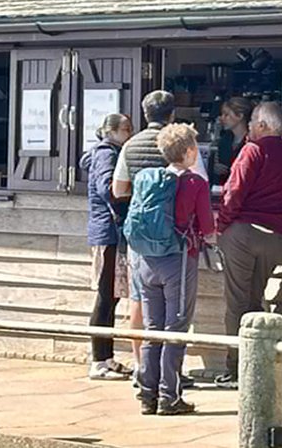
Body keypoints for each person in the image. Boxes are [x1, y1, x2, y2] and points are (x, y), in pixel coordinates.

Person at [114, 91, 208, 389]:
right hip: (176, 249)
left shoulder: (130, 145)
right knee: (176, 319)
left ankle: (144, 375)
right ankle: (171, 387)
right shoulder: (188, 159)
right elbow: (202, 203)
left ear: (144, 114)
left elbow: (118, 190)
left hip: (142, 244)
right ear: (171, 114)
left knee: (142, 311)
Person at [125, 123, 215, 416]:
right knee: (175, 329)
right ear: (189, 152)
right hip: (178, 260)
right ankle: (170, 396)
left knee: (153, 329)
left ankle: (147, 394)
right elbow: (208, 227)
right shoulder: (195, 184)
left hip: (146, 260)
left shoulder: (148, 179)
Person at [214, 101, 282, 388]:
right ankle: (260, 364)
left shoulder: (252, 150)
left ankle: (236, 369)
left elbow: (233, 192)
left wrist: (221, 226)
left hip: (243, 233)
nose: (248, 128)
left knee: (236, 304)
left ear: (262, 125)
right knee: (257, 302)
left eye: (252, 123)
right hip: (275, 236)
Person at [80, 113, 134, 381]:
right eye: (125, 129)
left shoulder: (111, 151)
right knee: (105, 295)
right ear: (110, 131)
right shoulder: (106, 153)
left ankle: (107, 357)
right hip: (107, 231)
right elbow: (107, 188)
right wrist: (124, 201)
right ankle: (98, 361)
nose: (130, 133)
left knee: (111, 296)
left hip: (108, 230)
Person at [214, 97, 254, 183]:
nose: (222, 118)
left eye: (226, 115)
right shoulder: (224, 141)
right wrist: (216, 169)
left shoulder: (252, 143)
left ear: (240, 116)